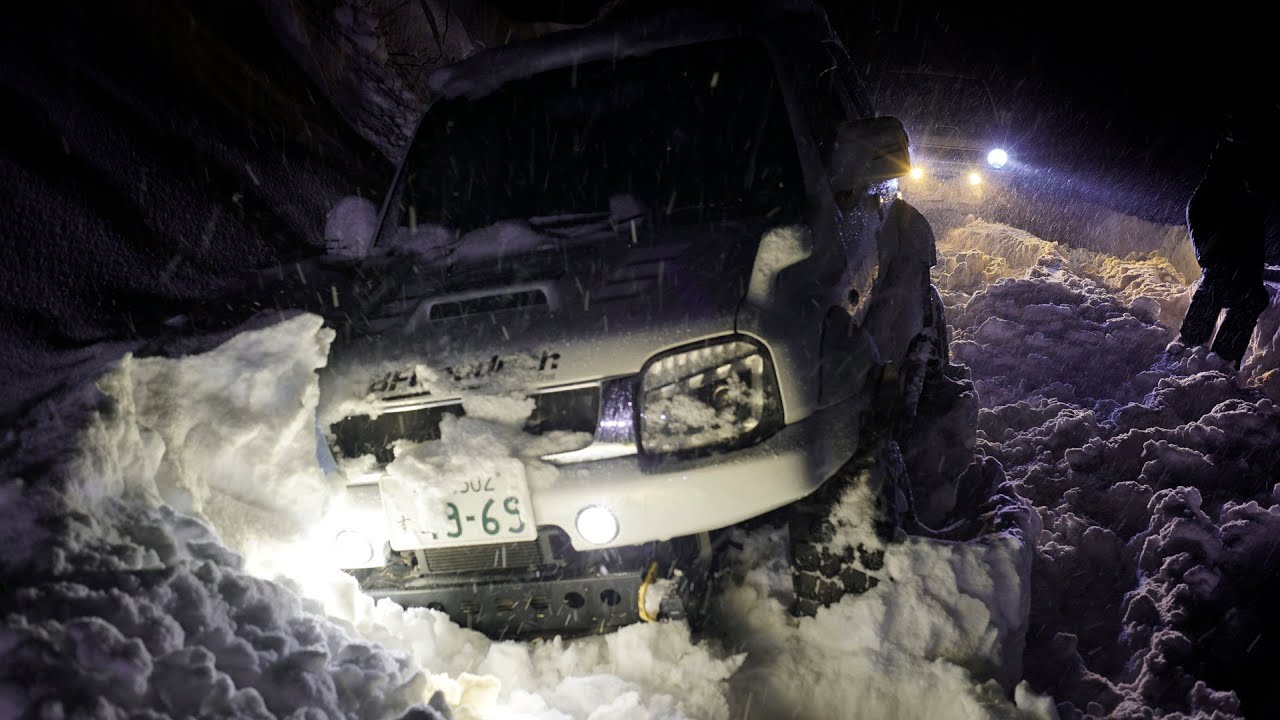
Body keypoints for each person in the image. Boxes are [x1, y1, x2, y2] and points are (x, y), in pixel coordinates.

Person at [1176, 101, 1277, 368]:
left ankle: (1219, 364)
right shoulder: (1229, 165)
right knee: (1220, 283)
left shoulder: (1250, 165)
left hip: (1239, 230)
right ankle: (1188, 352)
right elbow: (1199, 207)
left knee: (1250, 296)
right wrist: (1210, 251)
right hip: (1222, 226)